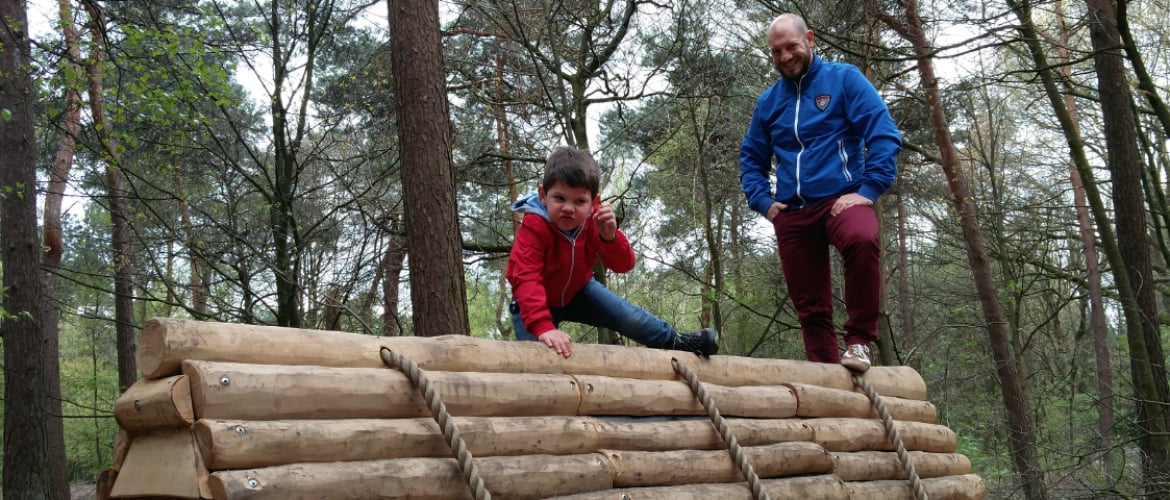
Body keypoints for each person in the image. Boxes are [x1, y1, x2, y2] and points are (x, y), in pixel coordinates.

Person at [739, 14, 903, 372]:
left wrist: (869, 188)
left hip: (841, 200)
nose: (785, 57)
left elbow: (883, 133)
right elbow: (751, 158)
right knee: (810, 307)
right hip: (793, 212)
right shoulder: (768, 103)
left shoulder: (844, 80)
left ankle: (859, 342)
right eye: (776, 51)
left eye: (792, 47)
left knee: (862, 238)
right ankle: (826, 374)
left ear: (809, 39)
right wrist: (764, 203)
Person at [506, 145, 719, 359]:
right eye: (560, 198)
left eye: (579, 201)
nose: (569, 208)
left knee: (629, 316)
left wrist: (609, 237)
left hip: (579, 291)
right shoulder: (534, 226)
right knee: (538, 359)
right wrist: (544, 326)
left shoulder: (595, 221)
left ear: (593, 203)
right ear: (543, 195)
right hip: (532, 302)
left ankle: (676, 341)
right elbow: (526, 277)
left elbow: (624, 265)